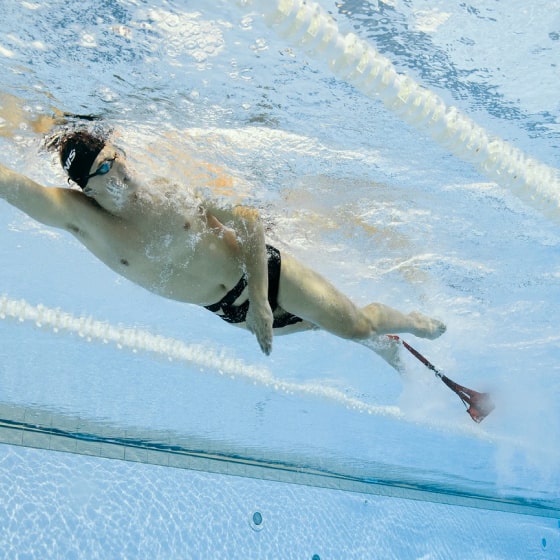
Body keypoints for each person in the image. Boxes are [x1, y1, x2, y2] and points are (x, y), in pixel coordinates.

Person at [0, 126, 445, 371]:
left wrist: (261, 302)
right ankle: (382, 344)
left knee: (354, 324)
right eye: (102, 172)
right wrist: (252, 311)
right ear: (86, 189)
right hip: (230, 311)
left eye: (115, 159)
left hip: (263, 277)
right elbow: (15, 187)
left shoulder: (170, 190)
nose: (119, 173)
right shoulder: (85, 221)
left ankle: (413, 323)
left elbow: (249, 221)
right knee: (322, 325)